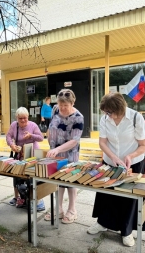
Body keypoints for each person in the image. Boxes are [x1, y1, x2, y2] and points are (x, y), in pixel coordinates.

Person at [87, 92, 145, 247]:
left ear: (121, 109)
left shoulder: (135, 118)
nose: (110, 116)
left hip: (132, 163)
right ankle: (102, 223)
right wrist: (113, 157)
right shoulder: (105, 118)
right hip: (110, 161)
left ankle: (126, 231)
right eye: (107, 112)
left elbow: (144, 145)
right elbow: (102, 143)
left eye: (112, 112)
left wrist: (130, 155)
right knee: (106, 195)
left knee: (128, 198)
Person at [45, 89, 84, 224]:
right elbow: (51, 126)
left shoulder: (78, 117)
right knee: (57, 180)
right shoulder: (55, 109)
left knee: (70, 180)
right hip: (54, 151)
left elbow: (74, 140)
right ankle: (59, 208)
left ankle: (72, 210)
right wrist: (49, 138)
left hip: (70, 153)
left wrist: (57, 149)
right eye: (61, 104)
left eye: (65, 105)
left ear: (72, 103)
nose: (62, 108)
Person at [6, 107, 45, 211]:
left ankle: (36, 200)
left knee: (32, 178)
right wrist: (12, 145)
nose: (23, 120)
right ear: (16, 118)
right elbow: (8, 136)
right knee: (17, 176)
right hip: (20, 155)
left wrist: (31, 135)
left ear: (28, 117)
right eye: (20, 118)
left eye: (25, 118)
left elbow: (41, 138)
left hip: (34, 154)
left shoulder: (33, 125)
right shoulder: (14, 125)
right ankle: (17, 197)